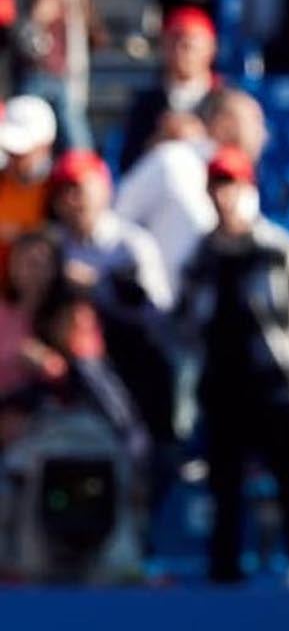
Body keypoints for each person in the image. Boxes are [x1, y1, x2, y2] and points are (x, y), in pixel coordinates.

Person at [175, 145, 289, 587]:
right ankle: (224, 570)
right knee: (225, 486)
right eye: (217, 186)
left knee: (288, 479)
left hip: (274, 383)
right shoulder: (201, 256)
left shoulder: (279, 250)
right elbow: (184, 320)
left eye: (232, 185)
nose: (225, 197)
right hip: (220, 386)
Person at [0, 229, 147, 583]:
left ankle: (117, 561)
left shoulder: (74, 315)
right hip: (7, 435)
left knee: (105, 462)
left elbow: (90, 381)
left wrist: (50, 368)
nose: (34, 269)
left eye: (42, 261)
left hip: (57, 435)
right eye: (25, 260)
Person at [45, 149, 174, 480]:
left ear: (103, 188)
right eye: (63, 191)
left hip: (134, 363)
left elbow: (157, 314)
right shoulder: (54, 246)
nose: (72, 199)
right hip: (74, 365)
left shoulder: (130, 244)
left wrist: (100, 286)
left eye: (79, 188)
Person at [114, 88, 266, 288]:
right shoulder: (172, 160)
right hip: (163, 309)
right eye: (254, 122)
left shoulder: (246, 188)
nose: (263, 133)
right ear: (223, 124)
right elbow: (118, 219)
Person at [12, 0, 102, 151]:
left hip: (68, 80)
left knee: (78, 147)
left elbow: (84, 45)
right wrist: (37, 20)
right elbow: (21, 44)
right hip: (34, 78)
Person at [117, 5, 219, 174]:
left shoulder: (224, 102)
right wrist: (161, 140)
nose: (180, 52)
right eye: (173, 43)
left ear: (209, 48)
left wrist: (201, 139)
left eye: (188, 45)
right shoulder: (146, 104)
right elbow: (128, 165)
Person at [0, 96, 60, 274]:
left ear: (45, 146)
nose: (13, 159)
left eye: (21, 153)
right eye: (9, 151)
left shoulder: (58, 191)